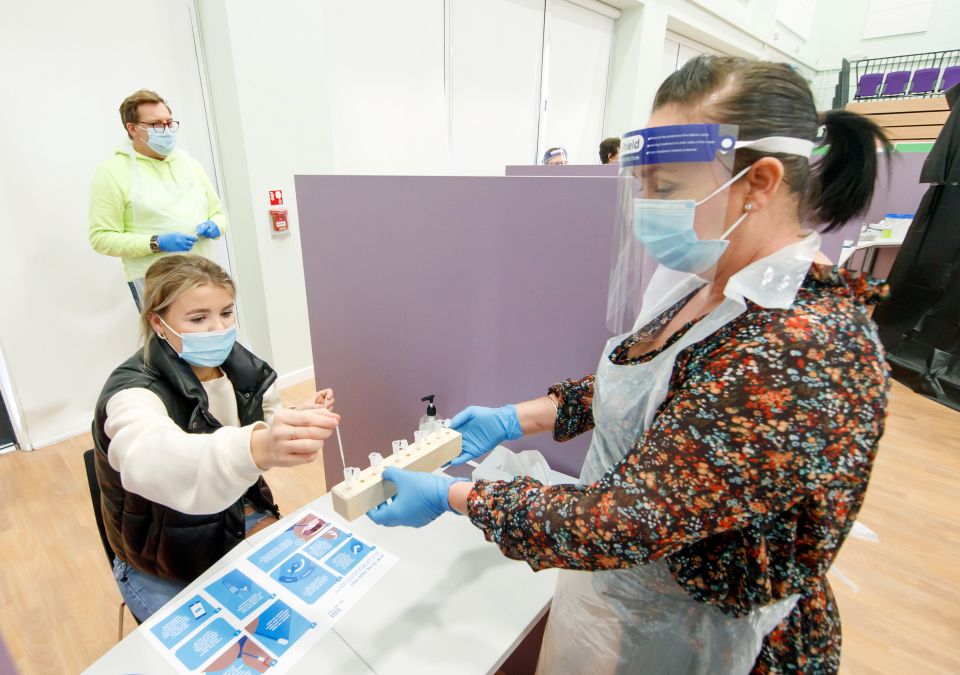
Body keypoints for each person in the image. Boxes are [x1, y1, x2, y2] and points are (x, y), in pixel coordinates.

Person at [367, 56, 891, 673]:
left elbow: (623, 521)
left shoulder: (803, 349)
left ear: (759, 182)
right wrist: (517, 417)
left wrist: (456, 495)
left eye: (665, 189)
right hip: (635, 605)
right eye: (642, 186)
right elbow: (654, 386)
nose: (647, 206)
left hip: (711, 640)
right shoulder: (710, 284)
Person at [92, 254, 340, 622]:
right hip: (163, 556)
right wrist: (258, 446)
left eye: (226, 312)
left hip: (237, 514)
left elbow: (265, 420)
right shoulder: (132, 391)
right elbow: (151, 458)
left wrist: (295, 418)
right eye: (198, 318)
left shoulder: (240, 368)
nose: (218, 328)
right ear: (158, 322)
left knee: (316, 610)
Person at [89, 89, 229, 311]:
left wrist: (216, 226)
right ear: (133, 129)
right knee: (168, 343)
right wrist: (156, 243)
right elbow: (101, 238)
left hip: (203, 274)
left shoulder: (189, 164)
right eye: (156, 125)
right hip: (156, 282)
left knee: (212, 336)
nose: (165, 130)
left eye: (169, 122)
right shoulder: (113, 173)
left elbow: (219, 214)